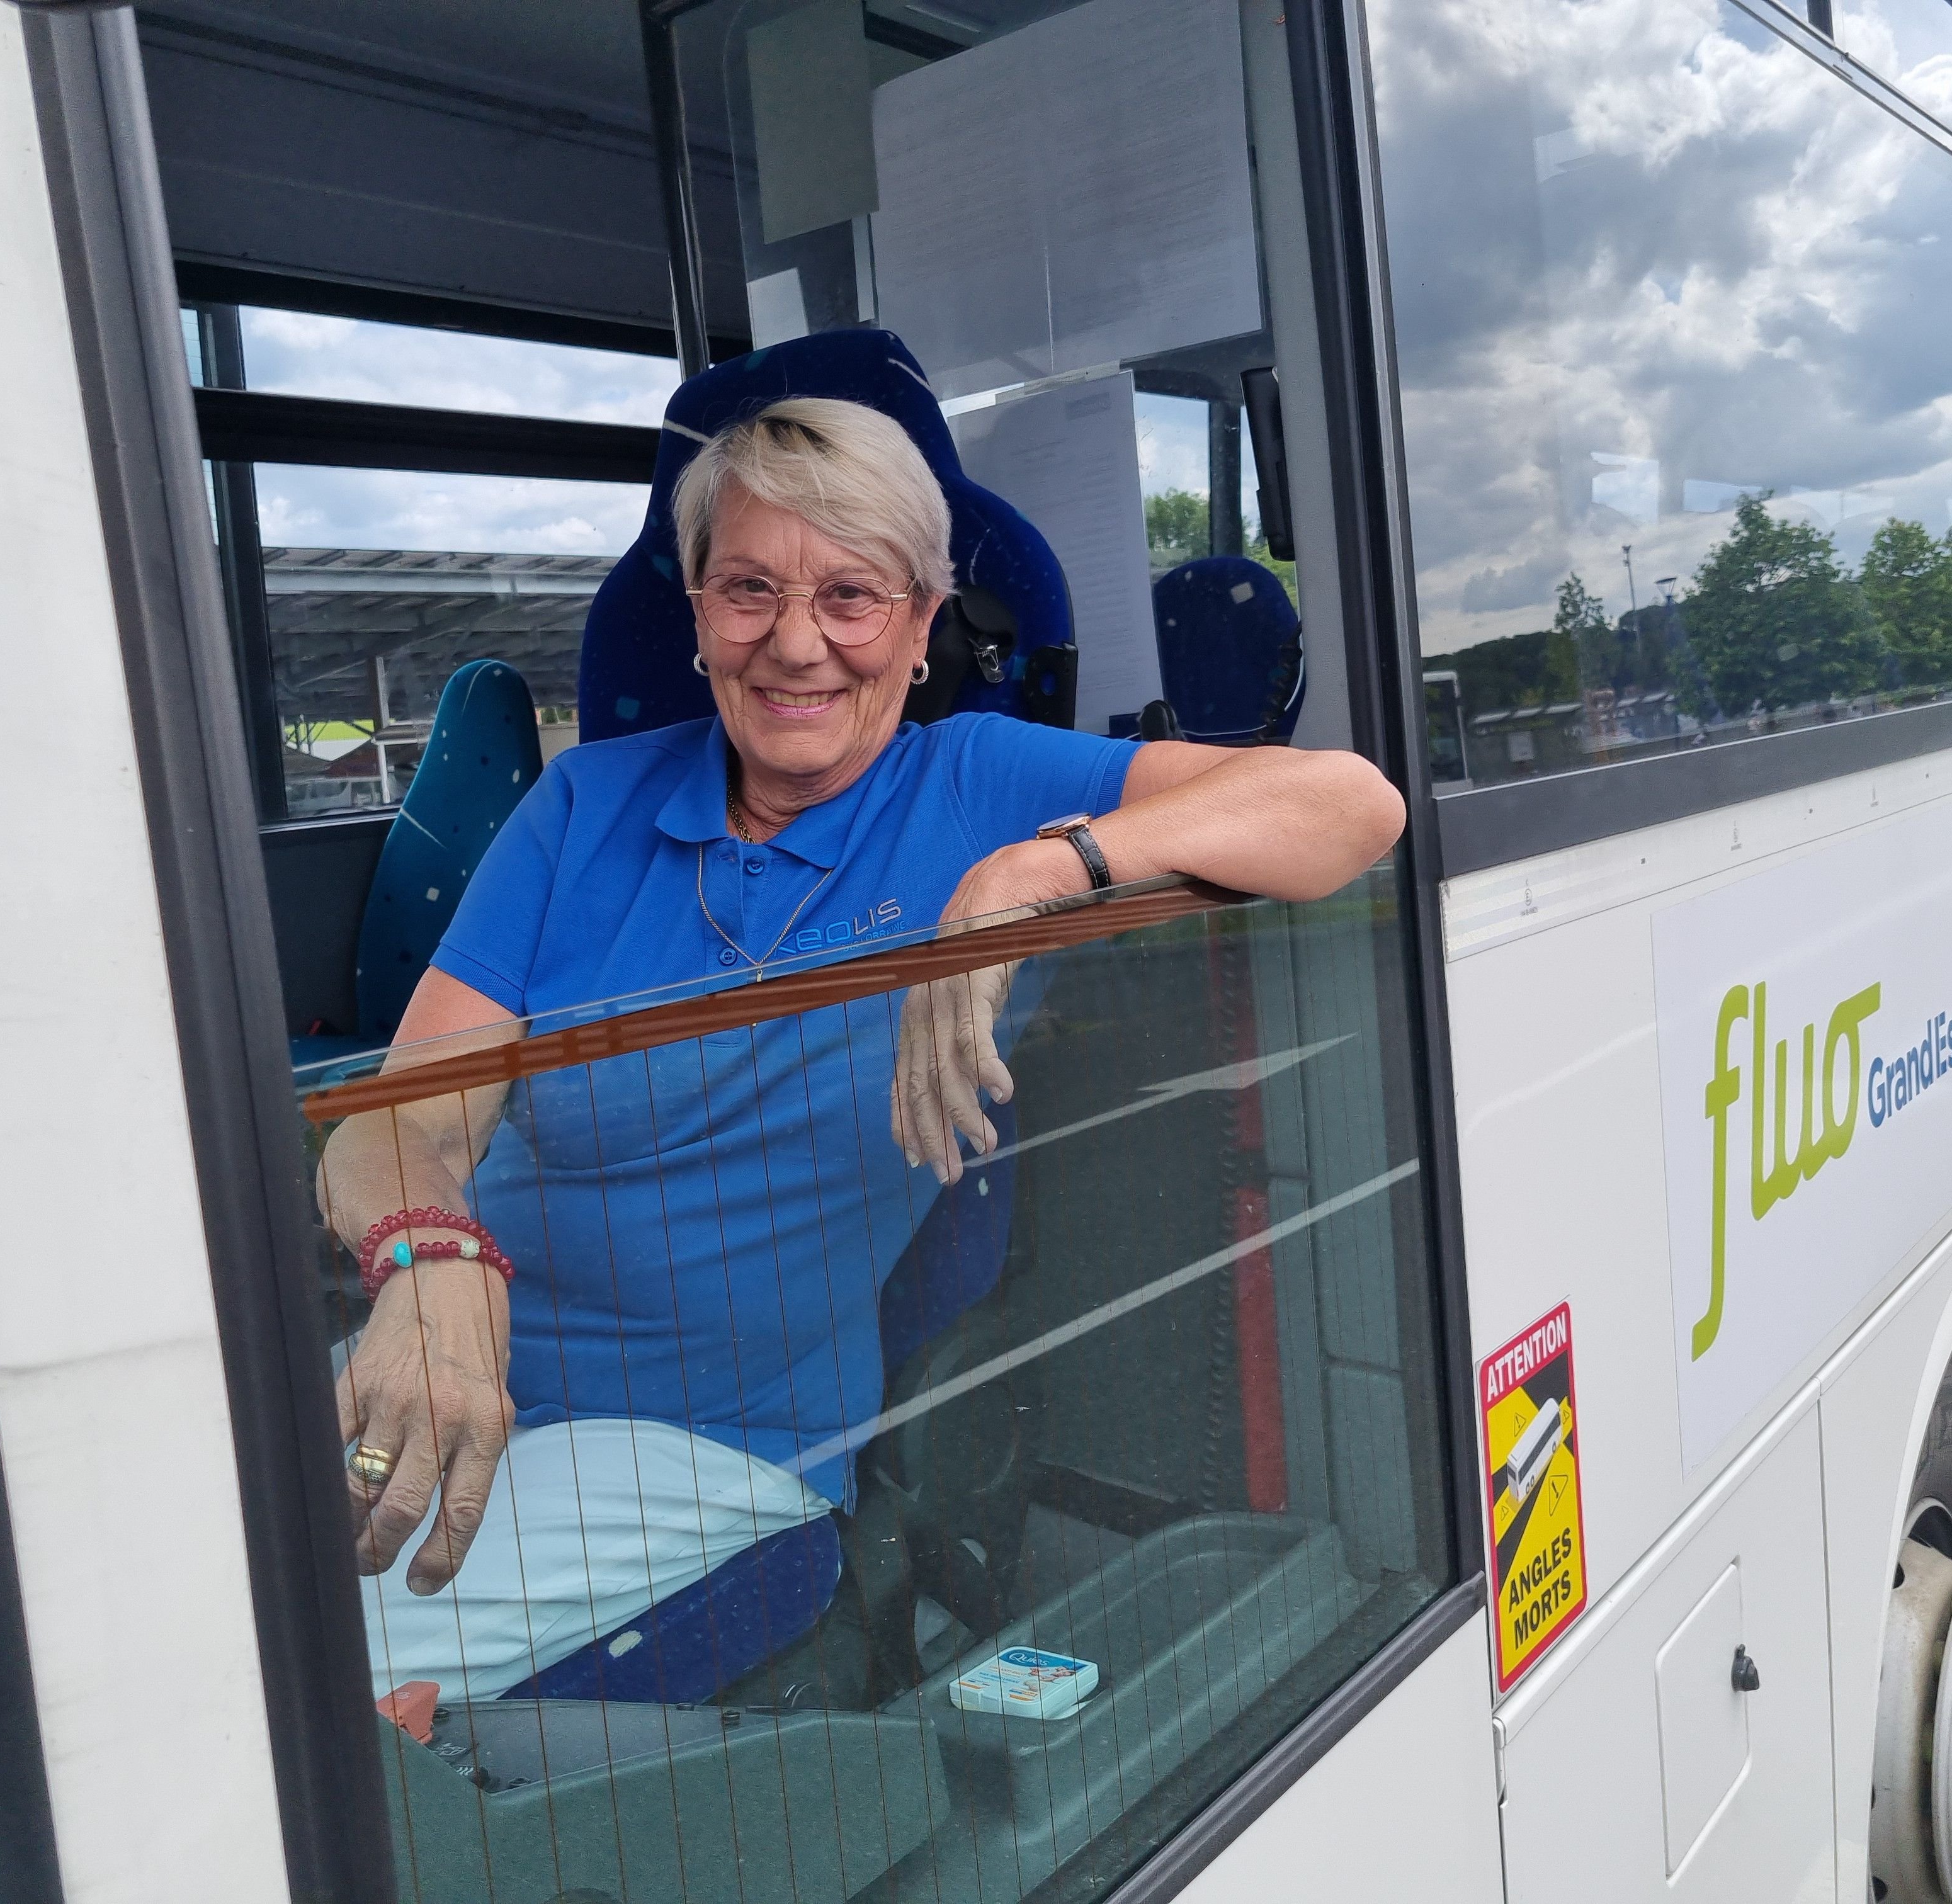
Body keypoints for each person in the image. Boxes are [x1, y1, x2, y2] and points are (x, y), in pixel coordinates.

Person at [317, 396, 1405, 1697]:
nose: (796, 643)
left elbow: (1354, 805)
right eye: (748, 590)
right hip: (442, 1356)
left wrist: (1040, 869)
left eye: (851, 595)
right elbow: (404, 1116)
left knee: (280, 1677)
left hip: (699, 1446)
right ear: (699, 613)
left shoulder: (972, 782)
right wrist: (427, 1252)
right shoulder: (580, 805)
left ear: (922, 622)